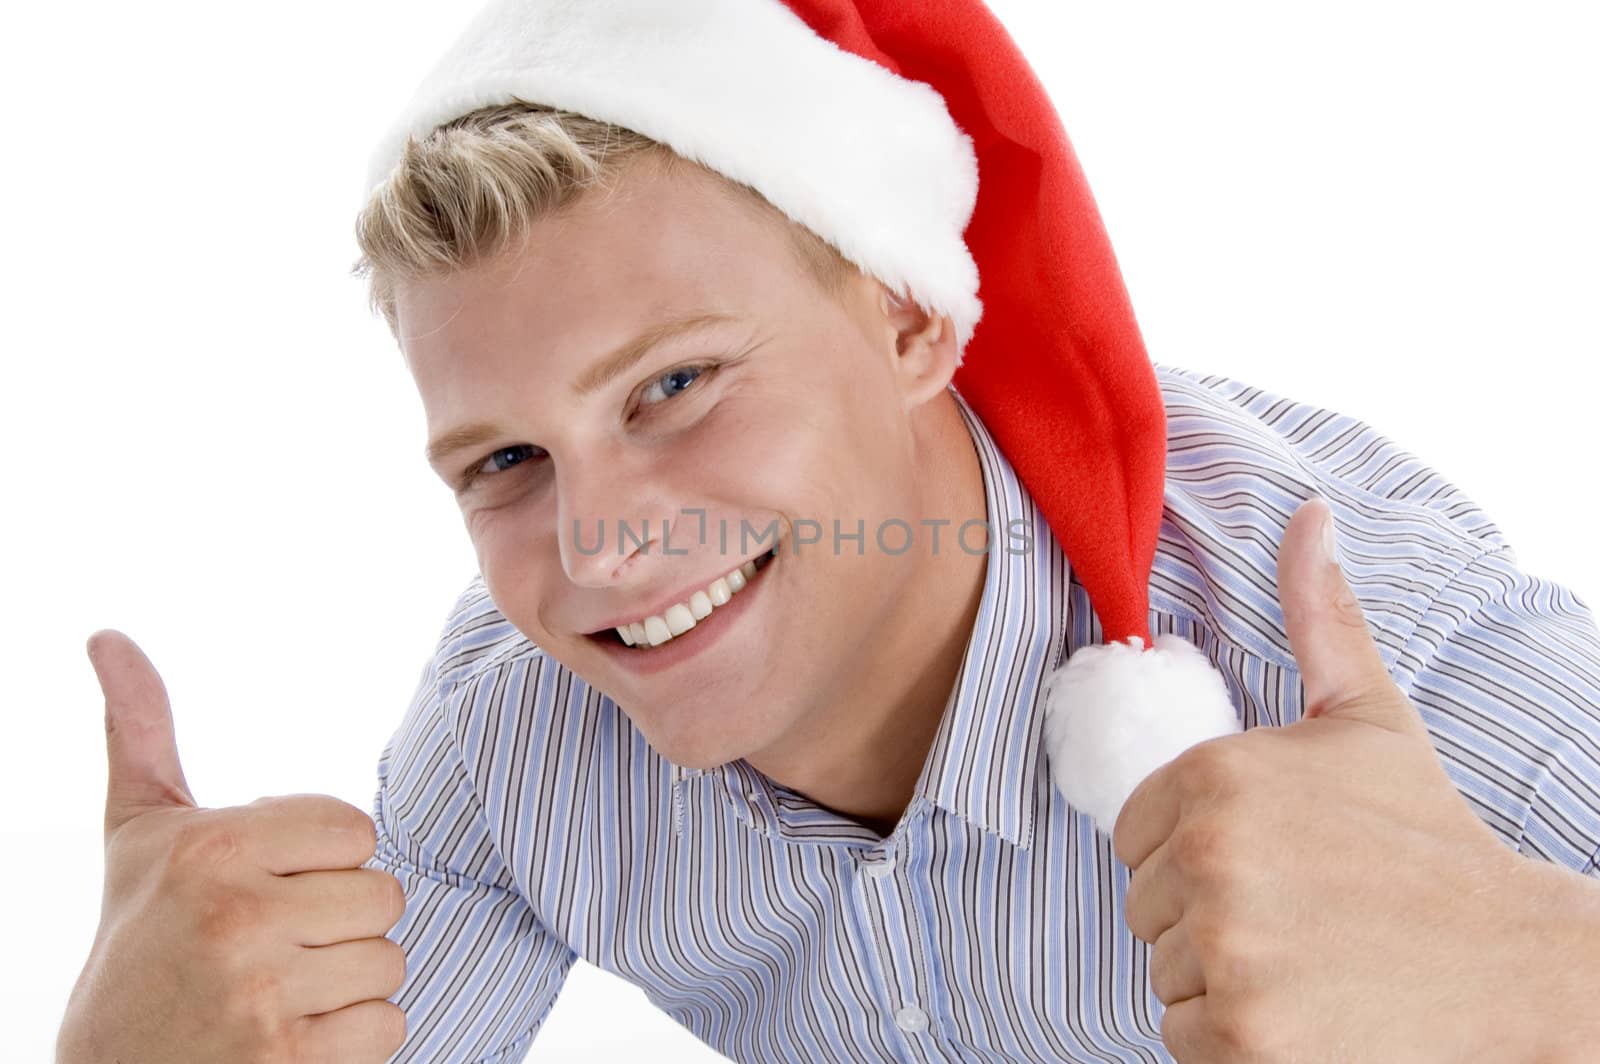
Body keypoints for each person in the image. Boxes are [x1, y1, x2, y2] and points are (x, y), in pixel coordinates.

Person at [57, 1, 1600, 1062]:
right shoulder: (510, 736)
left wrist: (1548, 977)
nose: (598, 547)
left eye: (674, 386)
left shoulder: (1357, 661)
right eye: (508, 457)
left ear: (918, 320)